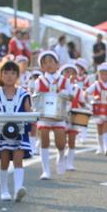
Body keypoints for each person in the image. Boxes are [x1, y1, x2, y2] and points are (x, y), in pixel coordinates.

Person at [0, 58, 32, 202]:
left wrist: (32, 131)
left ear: (17, 76)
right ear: (1, 75)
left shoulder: (24, 94)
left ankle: (18, 189)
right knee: (5, 161)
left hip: (19, 133)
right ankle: (4, 190)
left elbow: (29, 113)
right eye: (6, 72)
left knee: (18, 160)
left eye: (13, 73)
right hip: (2, 134)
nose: (9, 76)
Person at [32, 50, 73, 179]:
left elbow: (72, 96)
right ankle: (46, 170)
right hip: (44, 115)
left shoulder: (64, 80)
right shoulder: (39, 81)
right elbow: (34, 96)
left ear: (57, 64)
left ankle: (61, 156)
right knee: (43, 138)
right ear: (41, 67)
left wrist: (66, 94)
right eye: (44, 63)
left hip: (59, 115)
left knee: (60, 142)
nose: (48, 65)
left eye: (51, 61)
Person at [61, 64, 85, 171]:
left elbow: (82, 102)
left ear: (76, 75)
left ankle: (69, 163)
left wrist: (87, 107)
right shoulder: (58, 87)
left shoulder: (77, 89)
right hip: (61, 116)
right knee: (61, 141)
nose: (70, 75)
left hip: (74, 116)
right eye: (67, 72)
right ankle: (61, 160)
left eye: (72, 73)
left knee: (72, 140)